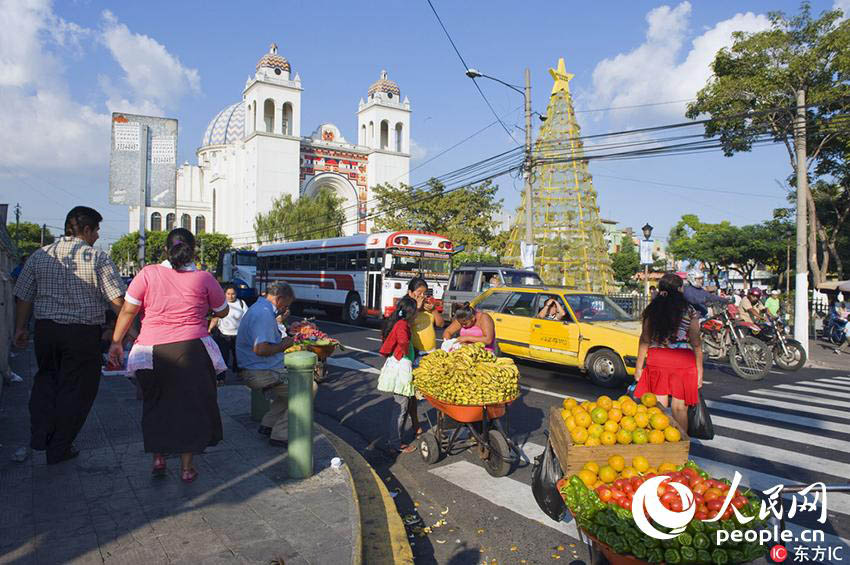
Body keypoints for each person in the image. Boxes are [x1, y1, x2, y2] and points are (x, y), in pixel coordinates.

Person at [109, 228, 228, 482]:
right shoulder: (204, 278)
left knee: (155, 405)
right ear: (193, 249)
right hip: (192, 351)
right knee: (190, 409)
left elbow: (128, 311)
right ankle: (186, 468)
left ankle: (159, 458)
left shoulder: (148, 273)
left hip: (150, 352)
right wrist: (205, 311)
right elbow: (223, 311)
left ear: (165, 249)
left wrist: (116, 342)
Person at [14, 206, 127, 465]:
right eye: (96, 230)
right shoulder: (97, 258)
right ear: (85, 230)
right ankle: (60, 446)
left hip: (46, 332)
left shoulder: (39, 255)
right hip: (82, 334)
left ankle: (41, 435)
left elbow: (24, 296)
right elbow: (117, 301)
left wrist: (20, 328)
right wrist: (129, 329)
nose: (98, 235)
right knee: (78, 390)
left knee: (46, 381)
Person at [237, 282, 314, 447]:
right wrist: (285, 344)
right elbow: (261, 348)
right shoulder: (263, 314)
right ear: (279, 299)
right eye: (286, 304)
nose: (286, 308)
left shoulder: (259, 309)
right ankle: (281, 433)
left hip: (260, 368)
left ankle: (268, 423)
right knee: (307, 386)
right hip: (262, 372)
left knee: (290, 388)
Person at [633, 273, 702, 431]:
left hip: (658, 359)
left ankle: (661, 446)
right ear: (680, 289)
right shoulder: (689, 310)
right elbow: (696, 342)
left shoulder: (652, 310)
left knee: (659, 408)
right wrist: (700, 370)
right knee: (680, 409)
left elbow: (645, 339)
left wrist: (638, 368)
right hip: (683, 361)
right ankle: (681, 447)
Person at [378, 296, 418, 454]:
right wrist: (408, 354)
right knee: (401, 407)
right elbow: (403, 342)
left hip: (399, 365)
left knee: (402, 405)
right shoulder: (402, 325)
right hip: (401, 367)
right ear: (410, 312)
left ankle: (395, 439)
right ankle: (395, 442)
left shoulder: (399, 322)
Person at [406, 278, 443, 438]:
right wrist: (418, 307)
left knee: (439, 390)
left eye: (424, 293)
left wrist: (433, 310)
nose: (422, 296)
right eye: (418, 293)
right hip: (416, 354)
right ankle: (415, 424)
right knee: (414, 394)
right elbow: (407, 323)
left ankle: (441, 425)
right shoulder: (408, 309)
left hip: (432, 353)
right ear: (410, 293)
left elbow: (441, 324)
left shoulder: (429, 311)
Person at [209, 284, 247, 384]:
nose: (231, 296)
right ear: (224, 294)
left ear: (236, 294)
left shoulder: (241, 304)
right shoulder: (222, 304)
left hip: (238, 336)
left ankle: (240, 375)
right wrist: (209, 330)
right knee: (222, 357)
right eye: (228, 294)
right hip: (223, 335)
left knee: (238, 357)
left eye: (233, 294)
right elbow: (215, 318)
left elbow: (247, 319)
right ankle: (221, 378)